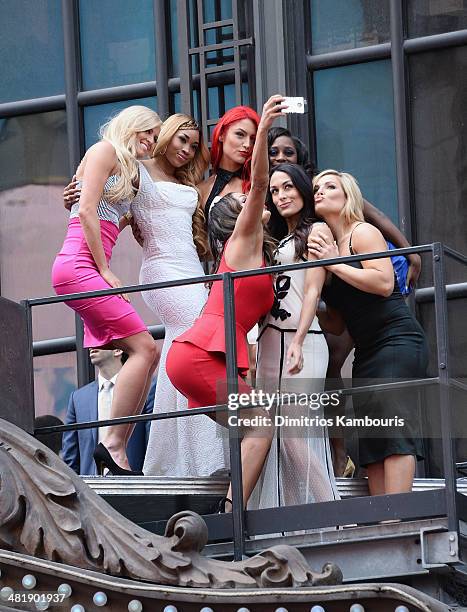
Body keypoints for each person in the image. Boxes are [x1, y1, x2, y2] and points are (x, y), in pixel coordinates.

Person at [166, 95, 286, 510]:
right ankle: (232, 512)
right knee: (263, 424)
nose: (254, 202)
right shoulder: (243, 241)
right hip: (201, 355)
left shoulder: (243, 257)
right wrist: (266, 127)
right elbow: (258, 187)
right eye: (245, 205)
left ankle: (231, 506)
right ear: (236, 219)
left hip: (200, 356)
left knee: (253, 426)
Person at [52, 105, 162, 476]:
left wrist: (134, 222)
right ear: (130, 127)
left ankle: (116, 449)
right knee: (145, 348)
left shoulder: (129, 170)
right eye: (147, 132)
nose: (151, 140)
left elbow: (105, 210)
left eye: (155, 136)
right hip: (79, 267)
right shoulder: (104, 151)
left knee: (144, 352)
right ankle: (113, 444)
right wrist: (104, 270)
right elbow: (84, 211)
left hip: (85, 268)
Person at [308, 169, 428, 495]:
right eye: (316, 187)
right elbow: (337, 322)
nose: (320, 191)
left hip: (397, 339)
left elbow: (384, 282)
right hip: (366, 350)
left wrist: (334, 265)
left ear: (347, 196)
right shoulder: (325, 247)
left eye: (330, 186)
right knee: (372, 438)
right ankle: (381, 520)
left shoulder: (362, 232)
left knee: (394, 424)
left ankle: (396, 518)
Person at [130, 114, 229, 478]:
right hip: (162, 270)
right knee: (197, 344)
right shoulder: (137, 171)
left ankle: (170, 462)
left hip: (191, 273)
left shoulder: (186, 181)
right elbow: (107, 208)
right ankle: (208, 460)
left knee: (182, 347)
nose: (187, 150)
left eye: (193, 146)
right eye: (182, 140)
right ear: (167, 135)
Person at [250, 163, 339, 511]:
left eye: (288, 187)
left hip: (300, 341)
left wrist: (299, 340)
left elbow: (313, 292)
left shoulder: (316, 230)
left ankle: (334, 511)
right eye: (274, 191)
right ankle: (291, 516)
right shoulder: (277, 238)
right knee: (274, 440)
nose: (282, 195)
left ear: (302, 189)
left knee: (294, 439)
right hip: (271, 343)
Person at [62, 348, 156, 475]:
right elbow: (70, 457)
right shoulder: (78, 398)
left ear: (118, 350)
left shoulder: (146, 388)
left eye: (100, 340)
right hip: (92, 488)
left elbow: (152, 443)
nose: (91, 346)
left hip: (133, 483)